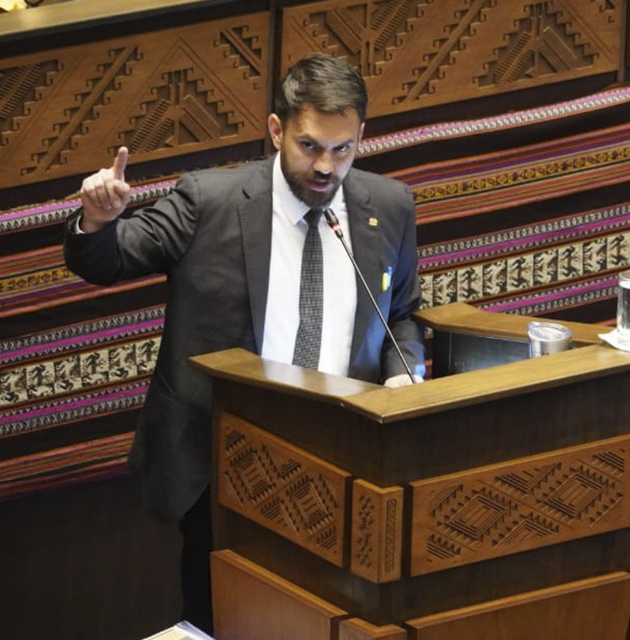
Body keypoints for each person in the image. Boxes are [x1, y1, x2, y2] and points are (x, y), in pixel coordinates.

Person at [63, 53, 425, 632]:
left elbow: (401, 315)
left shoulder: (389, 206)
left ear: (361, 138)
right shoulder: (209, 200)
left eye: (342, 149)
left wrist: (406, 373)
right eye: (310, 146)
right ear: (277, 129)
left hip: (344, 453)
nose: (326, 167)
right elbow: (110, 261)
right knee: (223, 618)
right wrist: (97, 221)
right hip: (226, 459)